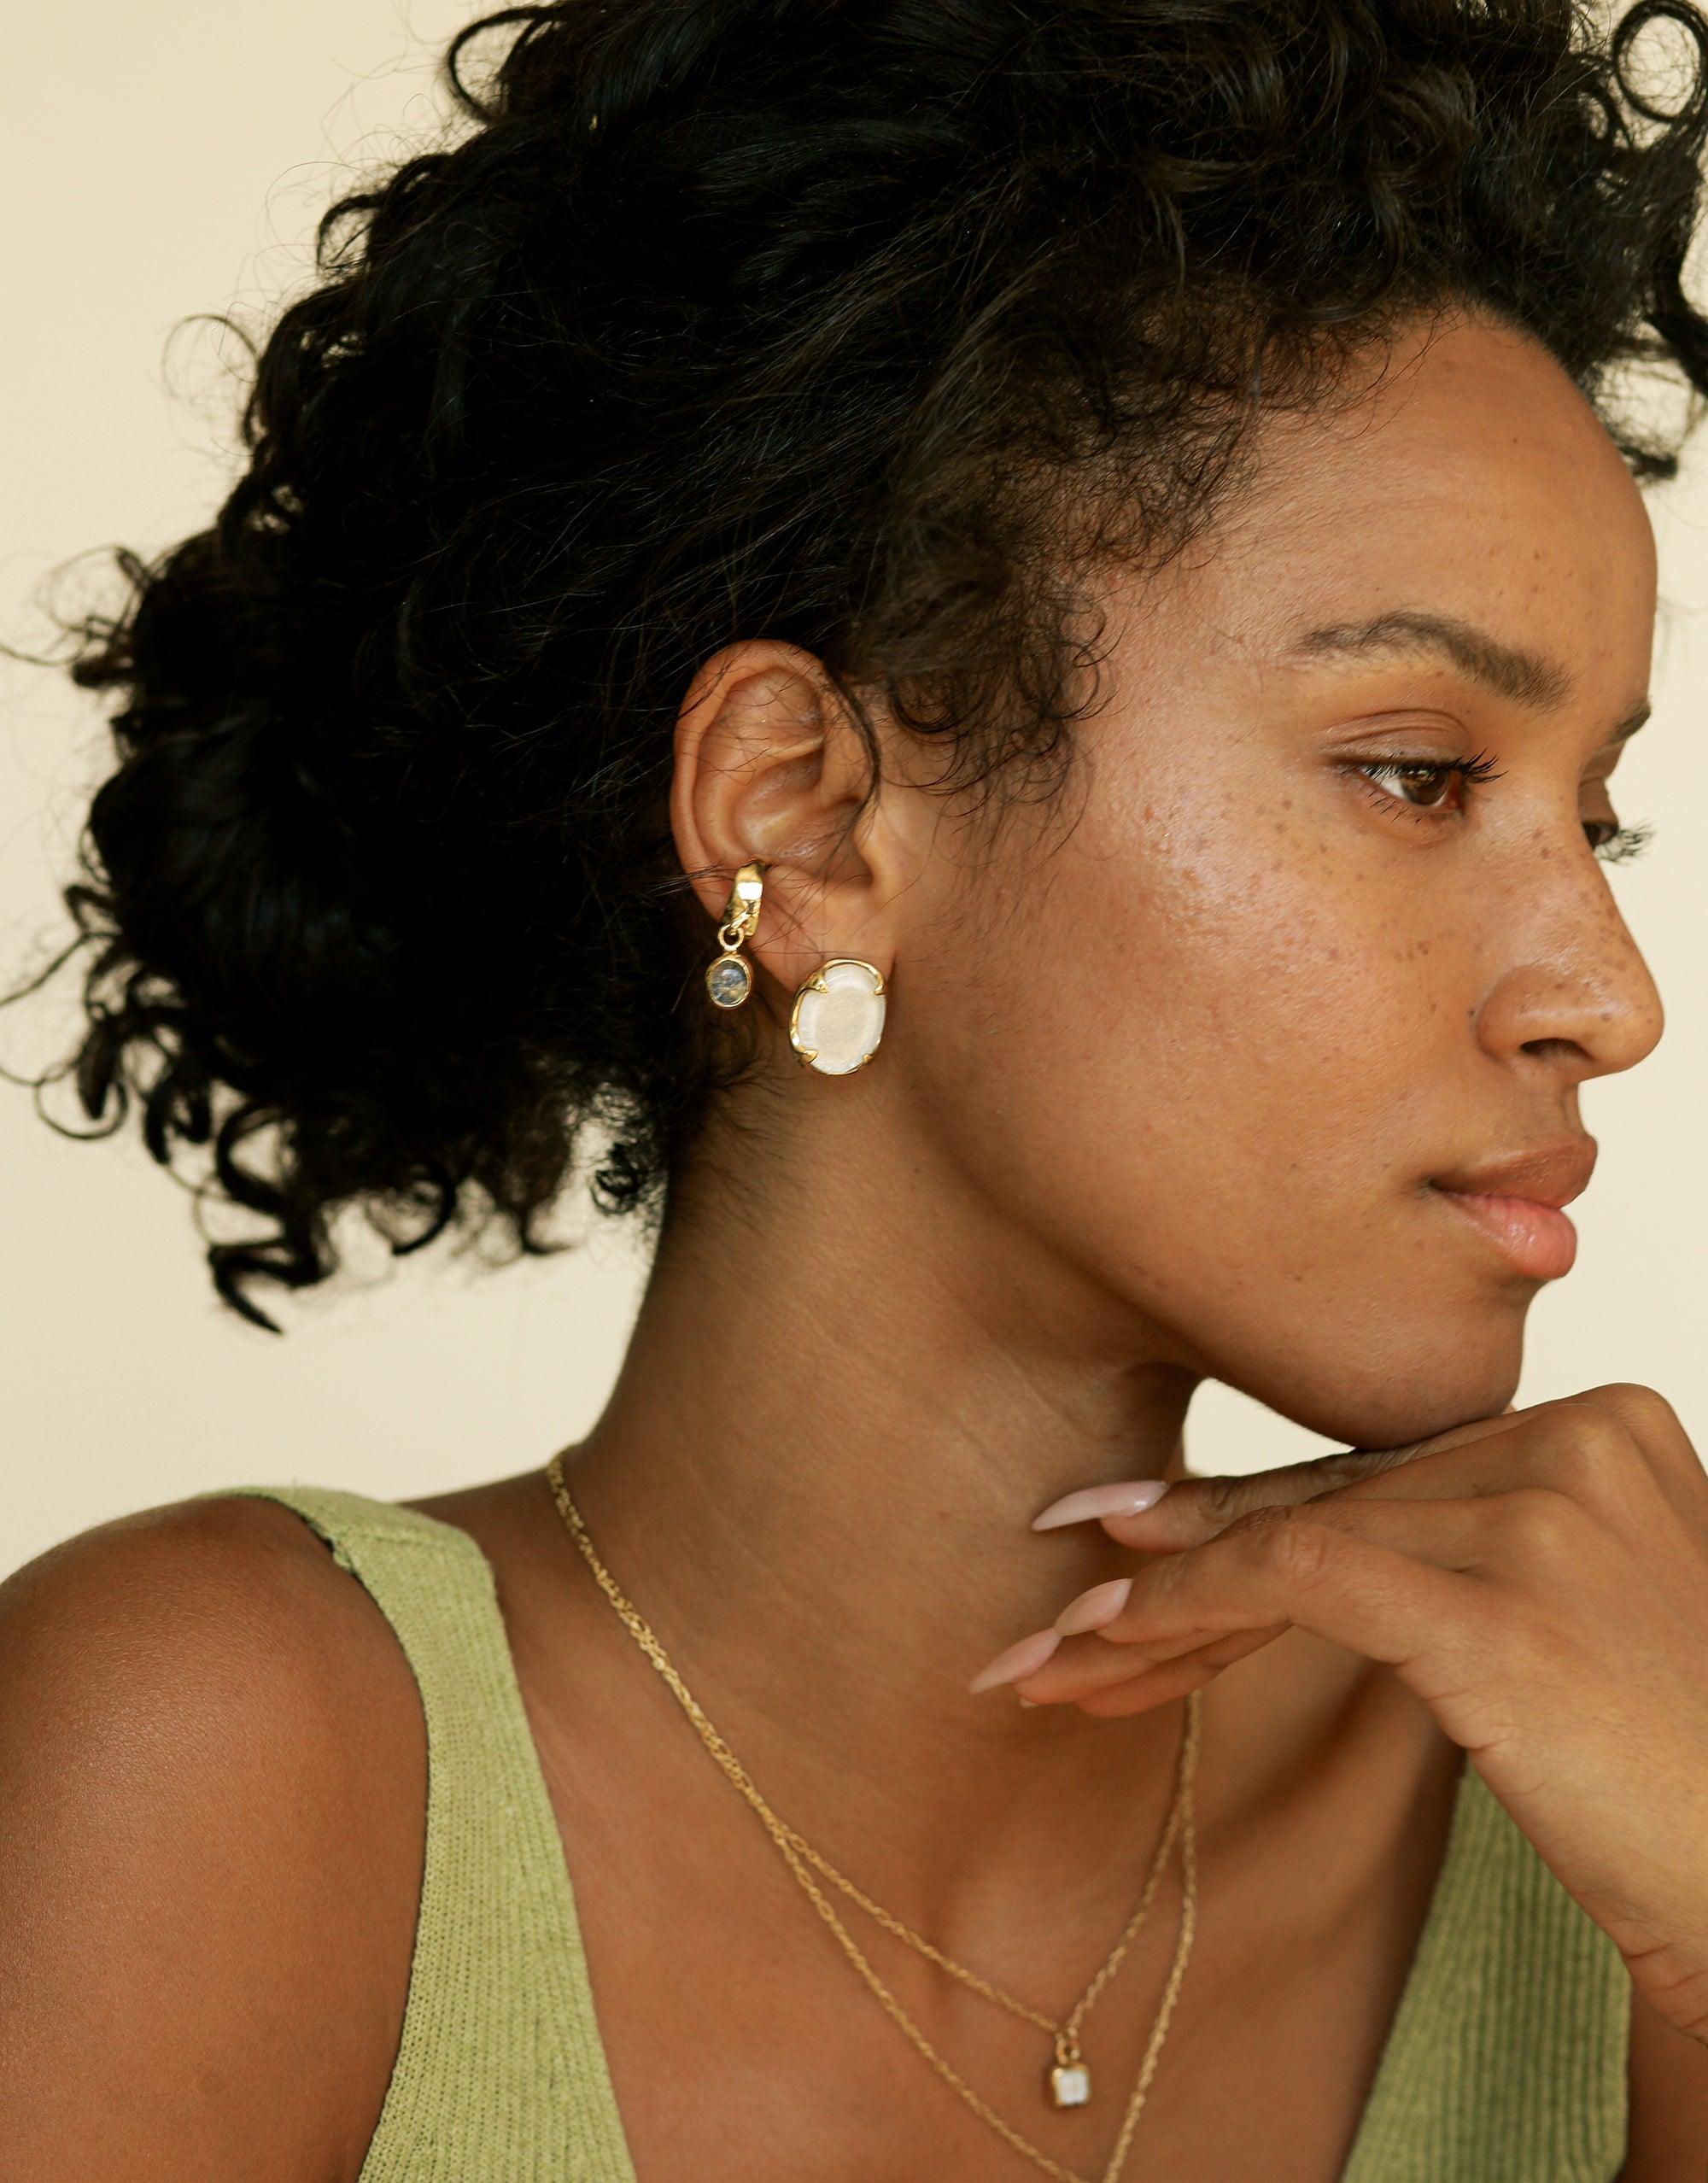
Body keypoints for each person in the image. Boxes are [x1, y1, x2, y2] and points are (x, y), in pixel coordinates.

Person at [5, 0, 1708, 2174]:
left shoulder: (1613, 1829)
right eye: (1415, 774)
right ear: (805, 824)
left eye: (1597, 817)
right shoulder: (224, 1780)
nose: (1607, 993)